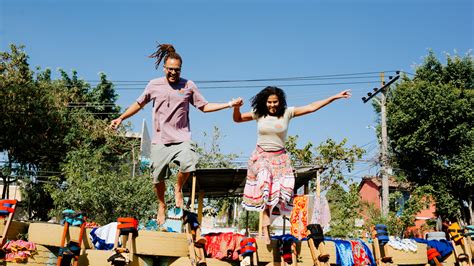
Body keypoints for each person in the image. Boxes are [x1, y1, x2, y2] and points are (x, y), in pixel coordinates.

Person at [110, 43, 243, 225]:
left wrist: (229, 104)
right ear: (164, 68)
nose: (173, 73)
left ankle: (178, 188)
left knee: (190, 162)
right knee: (157, 177)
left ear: (181, 69)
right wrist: (121, 118)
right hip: (160, 140)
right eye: (170, 69)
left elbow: (204, 106)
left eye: (177, 70)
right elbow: (139, 104)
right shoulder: (154, 85)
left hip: (181, 138)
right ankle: (162, 204)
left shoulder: (188, 85)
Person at [233, 86, 351, 243]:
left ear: (280, 102)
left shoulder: (287, 113)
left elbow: (311, 107)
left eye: (275, 102)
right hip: (261, 157)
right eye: (269, 102)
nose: (272, 105)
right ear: (265, 102)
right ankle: (265, 228)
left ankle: (270, 222)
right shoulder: (259, 113)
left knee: (281, 194)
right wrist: (236, 108)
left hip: (280, 159)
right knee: (264, 183)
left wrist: (334, 97)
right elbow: (238, 119)